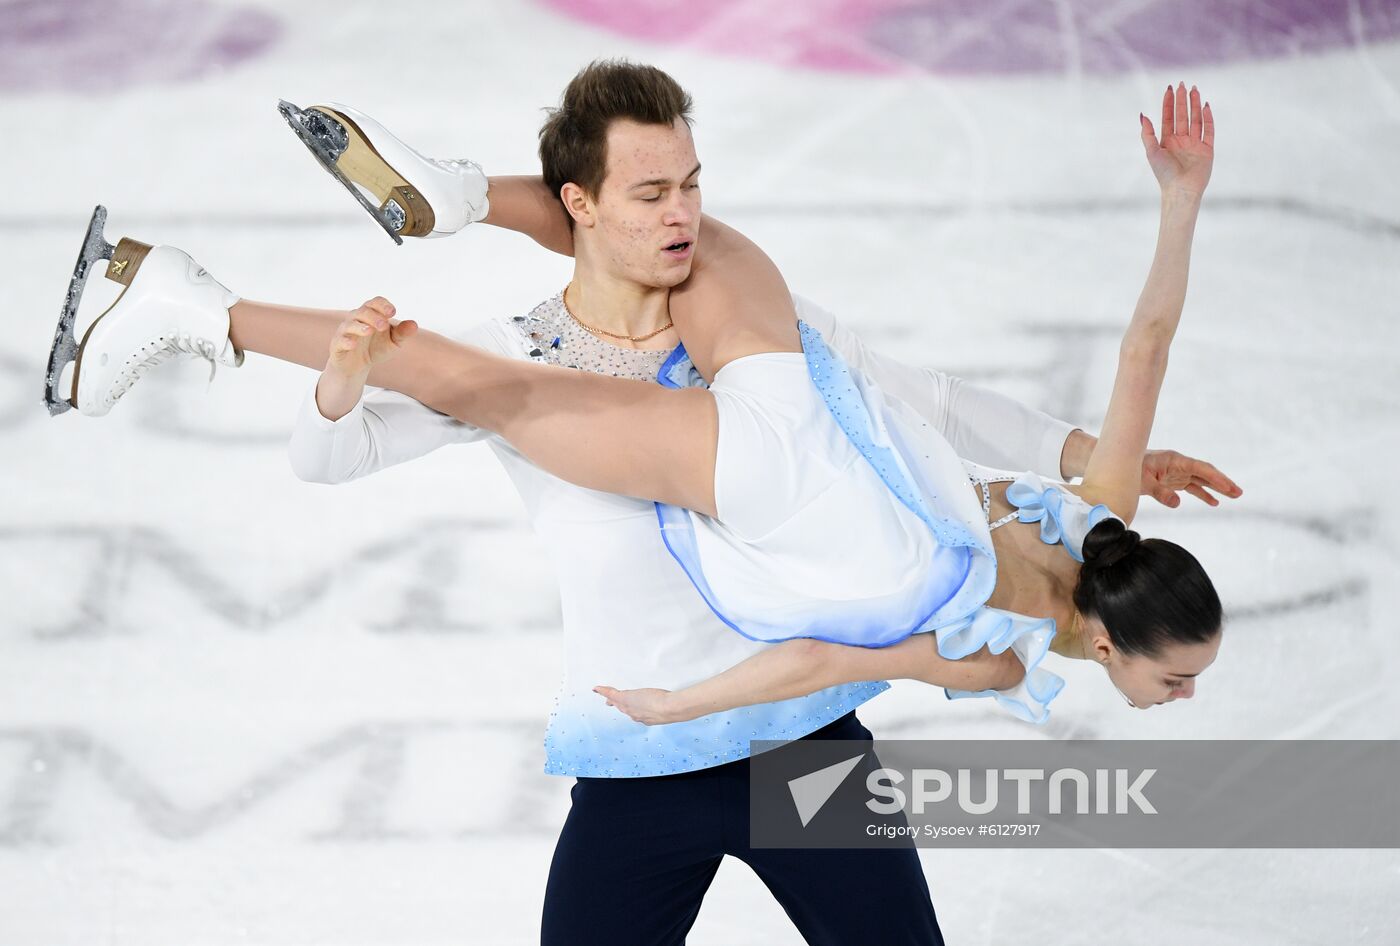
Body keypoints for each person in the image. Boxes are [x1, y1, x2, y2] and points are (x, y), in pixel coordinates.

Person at [47, 62, 1238, 945]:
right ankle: (228, 290)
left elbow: (1000, 390)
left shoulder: (1050, 500)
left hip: (802, 753)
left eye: (689, 186)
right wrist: (339, 390)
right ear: (582, 202)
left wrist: (1113, 378)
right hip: (649, 753)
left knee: (512, 380)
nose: (679, 211)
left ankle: (416, 213)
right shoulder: (1004, 631)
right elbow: (335, 461)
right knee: (493, 382)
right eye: (649, 191)